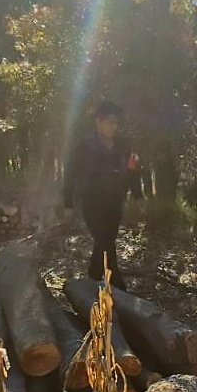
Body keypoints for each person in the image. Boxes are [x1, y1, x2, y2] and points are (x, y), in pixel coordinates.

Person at [62, 101, 141, 288]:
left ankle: (93, 276)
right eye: (109, 122)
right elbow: (71, 173)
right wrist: (68, 203)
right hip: (92, 202)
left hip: (115, 201)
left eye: (116, 123)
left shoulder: (123, 145)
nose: (113, 127)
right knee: (104, 239)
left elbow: (132, 171)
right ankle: (116, 282)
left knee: (106, 241)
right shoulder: (84, 145)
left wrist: (139, 195)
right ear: (98, 122)